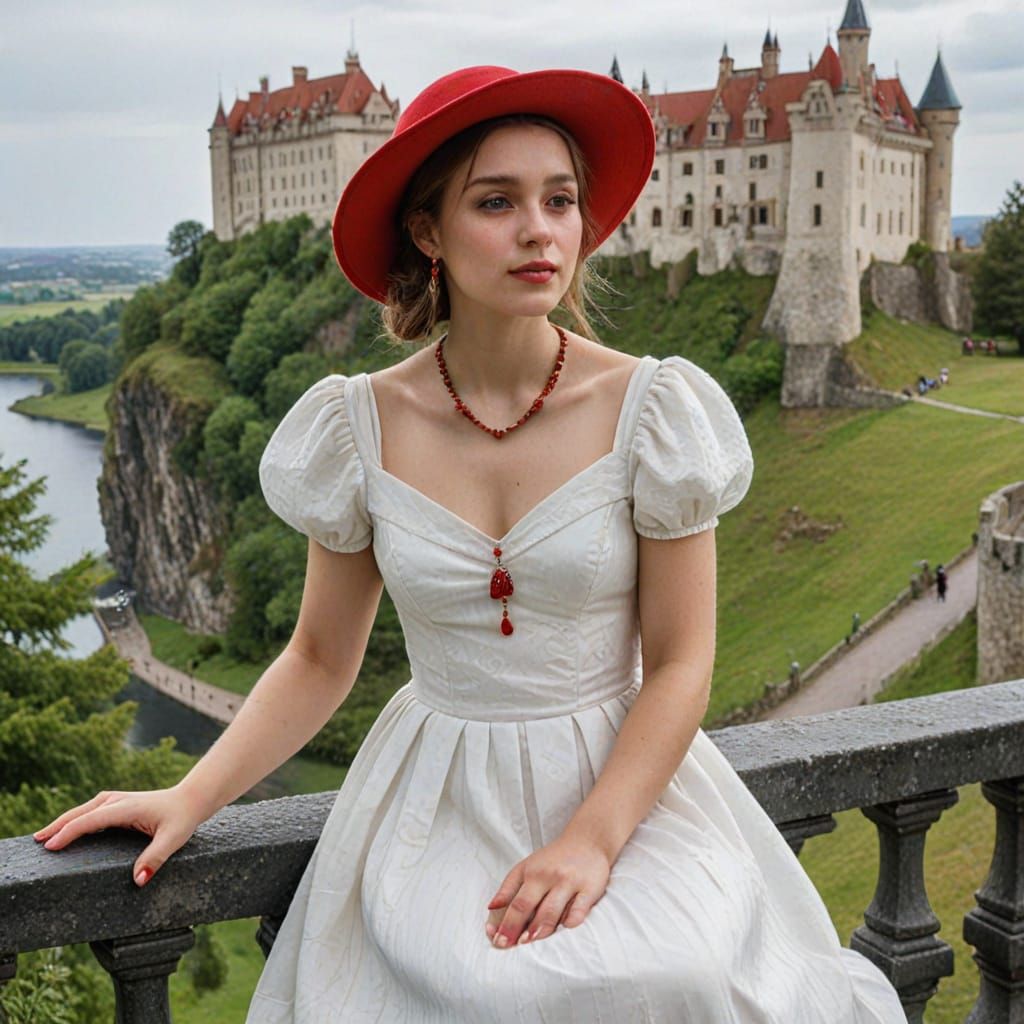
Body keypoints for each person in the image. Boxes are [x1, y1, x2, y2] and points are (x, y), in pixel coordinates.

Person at [32, 65, 906, 1023]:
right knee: (446, 988)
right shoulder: (359, 424)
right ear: (428, 231)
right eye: (497, 202)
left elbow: (680, 664)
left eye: (559, 200)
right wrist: (190, 796)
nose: (539, 230)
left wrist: (592, 840)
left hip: (621, 785)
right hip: (434, 798)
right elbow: (319, 658)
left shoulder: (652, 408)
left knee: (668, 974)